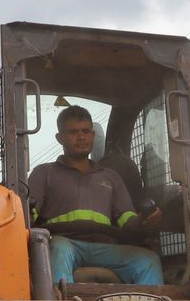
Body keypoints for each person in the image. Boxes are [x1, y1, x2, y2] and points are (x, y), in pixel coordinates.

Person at [27, 106, 163, 287]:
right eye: (73, 132)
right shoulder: (44, 173)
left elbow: (127, 219)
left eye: (85, 131)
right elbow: (28, 213)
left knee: (148, 260)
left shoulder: (111, 177)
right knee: (59, 248)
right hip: (65, 244)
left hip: (105, 248)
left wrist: (145, 221)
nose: (81, 137)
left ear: (93, 135)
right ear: (60, 138)